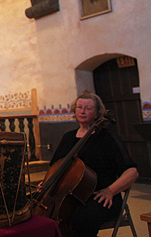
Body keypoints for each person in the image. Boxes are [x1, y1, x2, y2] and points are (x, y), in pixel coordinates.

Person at [49, 92, 138, 237]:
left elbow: (132, 172)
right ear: (74, 111)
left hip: (100, 196)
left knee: (81, 219)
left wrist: (110, 190)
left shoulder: (106, 137)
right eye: (79, 107)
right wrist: (47, 183)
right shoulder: (68, 137)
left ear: (97, 114)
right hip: (68, 196)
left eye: (88, 108)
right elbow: (55, 167)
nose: (82, 111)